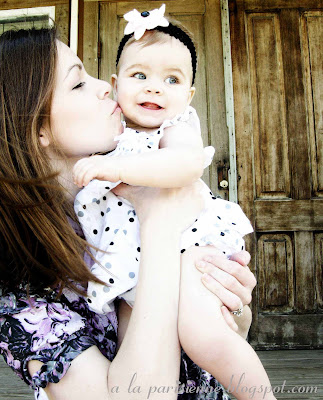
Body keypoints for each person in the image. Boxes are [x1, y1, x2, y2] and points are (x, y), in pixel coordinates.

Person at [0, 27, 257, 400]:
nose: (105, 86)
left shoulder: (141, 179)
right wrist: (160, 227)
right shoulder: (23, 303)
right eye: (78, 84)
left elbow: (217, 349)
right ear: (39, 127)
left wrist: (233, 310)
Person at [72, 5, 276, 400]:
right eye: (140, 75)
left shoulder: (176, 128)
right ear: (115, 84)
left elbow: (183, 166)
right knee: (139, 346)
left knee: (204, 334)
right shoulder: (108, 132)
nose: (154, 87)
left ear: (189, 94)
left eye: (172, 79)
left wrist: (111, 166)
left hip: (187, 249)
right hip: (131, 260)